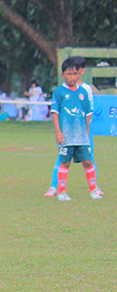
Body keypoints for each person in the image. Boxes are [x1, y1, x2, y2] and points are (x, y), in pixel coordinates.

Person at [45, 57, 103, 198]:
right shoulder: (59, 92)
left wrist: (87, 133)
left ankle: (94, 189)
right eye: (69, 73)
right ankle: (58, 189)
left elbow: (88, 112)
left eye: (75, 73)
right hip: (67, 135)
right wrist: (58, 132)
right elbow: (55, 112)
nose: (73, 76)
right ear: (63, 74)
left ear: (81, 73)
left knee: (88, 160)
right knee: (64, 161)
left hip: (82, 134)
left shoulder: (84, 91)